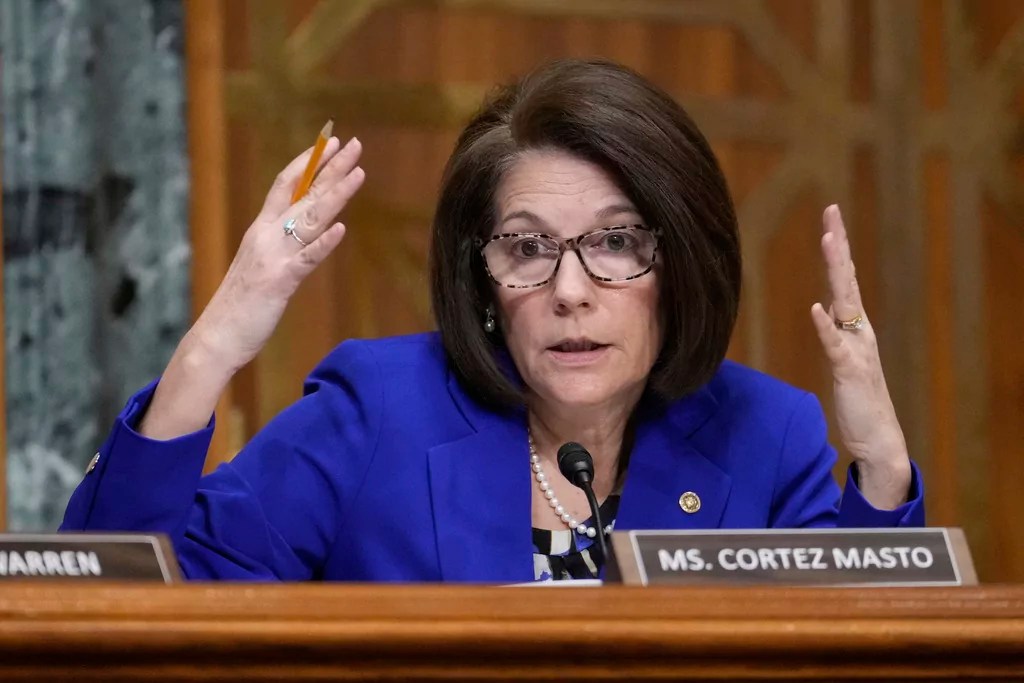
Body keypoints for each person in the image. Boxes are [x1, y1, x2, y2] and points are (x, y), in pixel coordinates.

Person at [61, 59, 923, 582]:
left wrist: (881, 468)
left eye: (617, 242)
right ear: (482, 274)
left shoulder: (765, 435)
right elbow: (115, 602)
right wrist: (214, 346)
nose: (571, 290)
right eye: (527, 247)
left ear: (681, 263)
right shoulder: (378, 414)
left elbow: (864, 647)